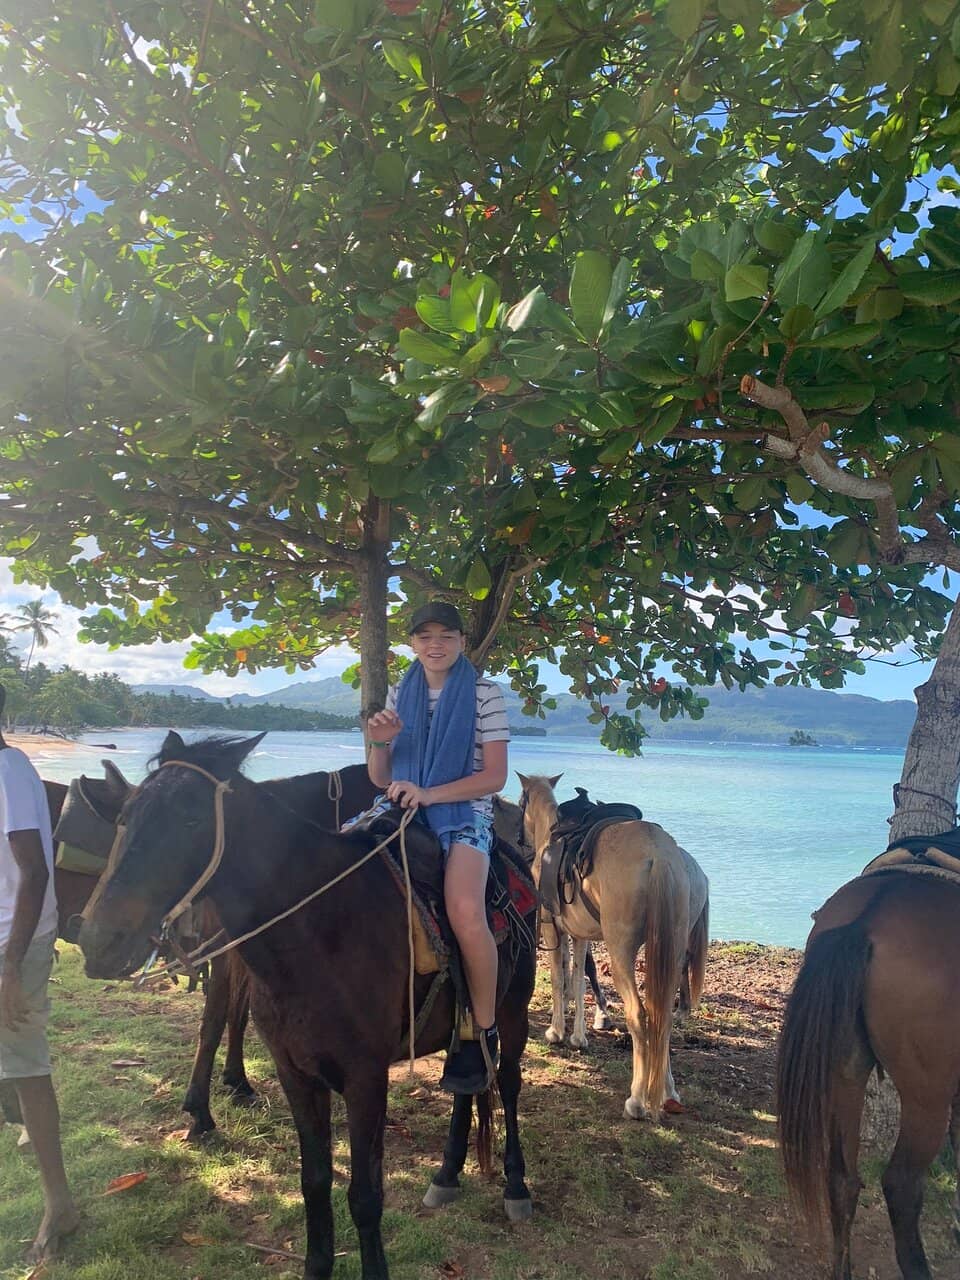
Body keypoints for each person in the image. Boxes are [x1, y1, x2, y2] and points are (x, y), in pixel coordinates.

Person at [365, 602, 509, 1094]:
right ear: (412, 645)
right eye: (424, 636)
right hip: (403, 810)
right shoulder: (398, 694)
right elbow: (380, 778)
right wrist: (380, 743)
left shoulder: (485, 695)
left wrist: (431, 794)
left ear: (462, 642)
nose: (435, 644)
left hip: (464, 815)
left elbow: (494, 777)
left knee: (465, 910)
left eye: (446, 635)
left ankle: (481, 1030)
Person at [0, 684, 79, 1261]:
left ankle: (60, 1205)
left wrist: (10, 962)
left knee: (27, 1067)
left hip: (10, 942)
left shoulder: (7, 768)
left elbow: (32, 872)